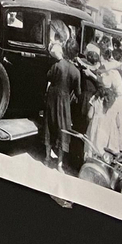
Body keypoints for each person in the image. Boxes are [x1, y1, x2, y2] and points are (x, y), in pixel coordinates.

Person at [43, 27, 83, 174]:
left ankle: (47, 158)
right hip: (64, 101)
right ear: (75, 54)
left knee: (49, 125)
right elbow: (78, 92)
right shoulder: (76, 71)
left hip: (52, 97)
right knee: (63, 130)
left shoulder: (57, 65)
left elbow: (48, 77)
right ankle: (59, 164)